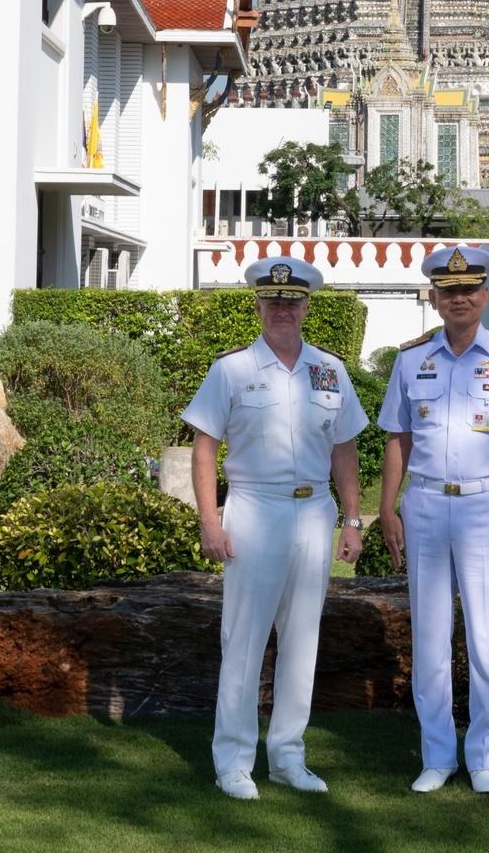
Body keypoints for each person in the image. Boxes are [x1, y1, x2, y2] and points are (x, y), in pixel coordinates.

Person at [183, 256, 368, 801]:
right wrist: (209, 521)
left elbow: (345, 448)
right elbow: (204, 447)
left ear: (307, 306)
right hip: (254, 510)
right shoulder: (232, 370)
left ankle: (288, 756)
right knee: (243, 640)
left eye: (292, 301)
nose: (283, 309)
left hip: (314, 512)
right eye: (273, 301)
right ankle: (234, 762)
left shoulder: (330, 370)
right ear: (259, 306)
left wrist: (353, 518)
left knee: (302, 640)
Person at [377, 244, 489, 794]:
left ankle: (483, 759)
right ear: (434, 299)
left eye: (469, 290)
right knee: (430, 638)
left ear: (485, 295)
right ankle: (437, 756)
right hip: (427, 504)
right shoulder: (412, 360)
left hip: (488, 506)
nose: (459, 298)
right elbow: (398, 439)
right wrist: (387, 506)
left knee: (486, 639)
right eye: (448, 291)